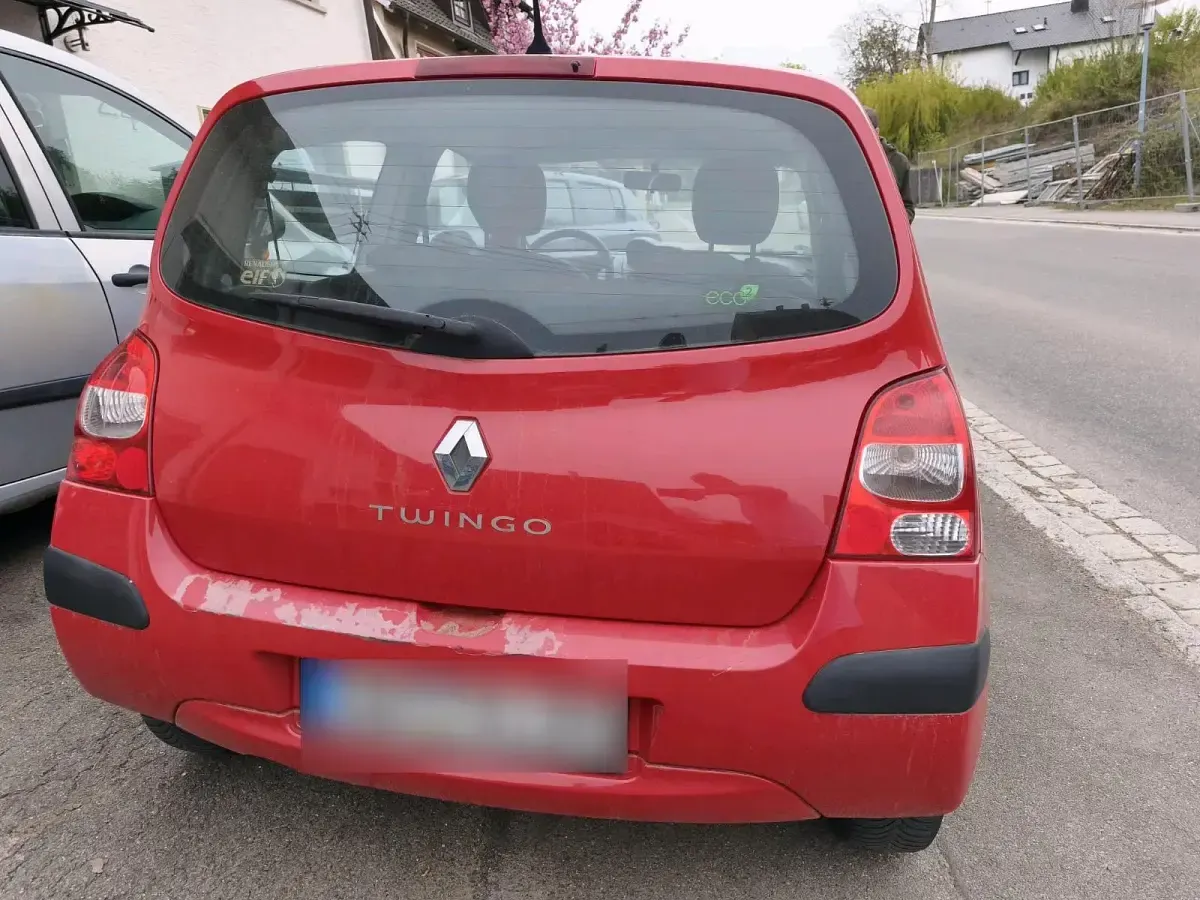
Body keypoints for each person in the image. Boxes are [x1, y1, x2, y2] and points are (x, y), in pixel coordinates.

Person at [864, 107, 915, 224]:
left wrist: (895, 224)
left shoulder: (898, 162)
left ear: (876, 132)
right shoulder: (849, 159)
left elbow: (908, 207)